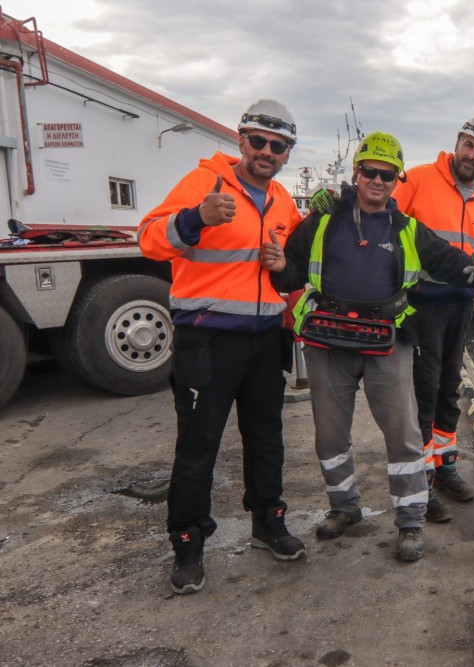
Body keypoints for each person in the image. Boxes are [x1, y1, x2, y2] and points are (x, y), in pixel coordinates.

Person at [268, 131, 474, 562]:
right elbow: (289, 275)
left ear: (397, 181)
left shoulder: (408, 229)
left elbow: (450, 261)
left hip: (385, 341)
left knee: (405, 437)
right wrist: (280, 265)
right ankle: (344, 508)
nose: (378, 181)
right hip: (327, 342)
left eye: (387, 175)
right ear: (356, 173)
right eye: (370, 172)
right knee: (330, 436)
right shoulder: (321, 222)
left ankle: (411, 522)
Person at [139, 99, 305, 595]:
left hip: (263, 340)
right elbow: (149, 238)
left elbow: (294, 271)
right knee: (198, 445)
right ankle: (188, 544)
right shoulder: (204, 184)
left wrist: (284, 271)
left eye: (278, 146)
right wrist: (196, 217)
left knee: (266, 437)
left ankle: (268, 522)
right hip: (206, 341)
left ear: (287, 153)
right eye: (258, 141)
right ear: (241, 140)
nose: (266, 152)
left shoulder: (283, 203)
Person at [391, 115, 474, 522]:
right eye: (469, 147)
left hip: (462, 306)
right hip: (422, 304)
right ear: (457, 142)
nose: (473, 157)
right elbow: (385, 226)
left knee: (448, 389)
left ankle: (444, 465)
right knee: (422, 390)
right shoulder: (418, 180)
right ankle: (420, 479)